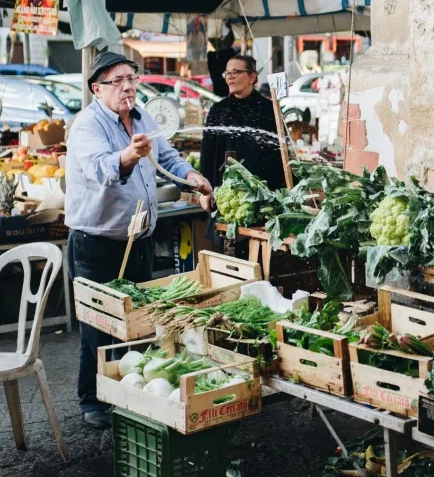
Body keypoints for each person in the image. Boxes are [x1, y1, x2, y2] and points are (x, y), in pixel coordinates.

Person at [65, 51, 212, 429]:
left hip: (139, 239)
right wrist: (129, 155)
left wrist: (192, 178)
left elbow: (168, 157)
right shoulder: (87, 125)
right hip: (98, 243)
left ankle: (129, 392)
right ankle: (92, 400)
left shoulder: (143, 116)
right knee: (100, 325)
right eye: (118, 80)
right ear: (98, 88)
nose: (128, 86)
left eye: (132, 77)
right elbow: (101, 170)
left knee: (139, 320)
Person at [199, 55, 286, 211]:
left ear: (251, 77)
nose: (230, 78)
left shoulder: (269, 109)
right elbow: (207, 153)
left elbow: (281, 153)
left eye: (235, 72)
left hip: (264, 194)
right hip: (226, 194)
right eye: (227, 73)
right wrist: (205, 190)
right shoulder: (217, 110)